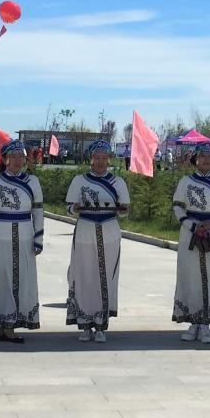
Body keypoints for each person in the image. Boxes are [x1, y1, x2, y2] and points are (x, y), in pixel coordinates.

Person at [0, 139, 44, 342]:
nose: (17, 160)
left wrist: (38, 237)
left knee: (20, 278)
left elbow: (38, 211)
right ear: (5, 159)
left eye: (20, 156)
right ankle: (0, 325)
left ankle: (13, 324)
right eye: (13, 156)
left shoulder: (32, 182)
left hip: (24, 234)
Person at [65, 139, 129, 342]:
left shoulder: (118, 182)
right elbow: (69, 208)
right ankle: (84, 323)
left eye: (104, 158)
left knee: (106, 275)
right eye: (97, 158)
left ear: (109, 159)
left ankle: (101, 323)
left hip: (109, 229)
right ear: (91, 159)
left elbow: (125, 210)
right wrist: (76, 208)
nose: (101, 162)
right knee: (84, 274)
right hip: (85, 229)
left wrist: (121, 210)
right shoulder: (79, 180)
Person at [172, 141, 210, 343]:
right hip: (190, 233)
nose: (206, 160)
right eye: (202, 156)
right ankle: (193, 321)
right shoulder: (185, 182)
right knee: (191, 276)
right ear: (195, 159)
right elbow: (178, 207)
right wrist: (192, 225)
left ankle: (206, 323)